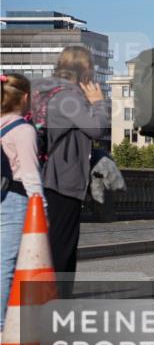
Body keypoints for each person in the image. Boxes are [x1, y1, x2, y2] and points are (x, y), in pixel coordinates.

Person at [33, 46, 110, 298]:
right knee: (62, 244)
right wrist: (98, 103)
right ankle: (57, 300)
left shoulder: (40, 90)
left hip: (37, 175)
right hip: (61, 179)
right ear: (84, 70)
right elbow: (96, 128)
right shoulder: (68, 96)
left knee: (41, 242)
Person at [1, 73, 43, 330]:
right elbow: (30, 175)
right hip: (14, 199)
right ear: (25, 97)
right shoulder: (23, 129)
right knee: (6, 263)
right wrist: (42, 212)